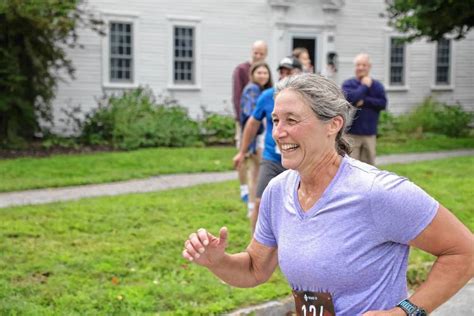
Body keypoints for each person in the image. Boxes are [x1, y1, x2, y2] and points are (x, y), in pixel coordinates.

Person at [183, 74, 474, 315]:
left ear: (333, 125)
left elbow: (465, 251)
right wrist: (216, 261)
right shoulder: (278, 191)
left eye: (291, 120)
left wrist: (407, 311)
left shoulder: (377, 192)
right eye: (275, 120)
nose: (278, 133)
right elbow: (254, 269)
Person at [233, 56, 302, 232]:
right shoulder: (267, 95)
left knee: (298, 206)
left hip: (299, 160)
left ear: (299, 73)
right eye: (282, 71)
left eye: (289, 71)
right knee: (259, 202)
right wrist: (242, 151)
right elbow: (252, 123)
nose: (285, 75)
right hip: (272, 157)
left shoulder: (308, 98)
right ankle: (255, 248)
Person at [232, 40, 268, 204]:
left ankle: (253, 198)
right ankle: (244, 189)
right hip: (246, 122)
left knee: (255, 161)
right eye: (256, 52)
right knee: (244, 155)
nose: (258, 55)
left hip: (259, 127)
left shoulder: (264, 77)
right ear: (251, 51)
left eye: (261, 53)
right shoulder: (242, 70)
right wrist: (243, 123)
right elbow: (237, 97)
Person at [239, 61, 273, 217]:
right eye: (259, 72)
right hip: (256, 138)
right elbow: (251, 118)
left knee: (256, 172)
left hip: (259, 137)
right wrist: (249, 145)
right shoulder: (253, 90)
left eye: (265, 72)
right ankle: (253, 207)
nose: (262, 75)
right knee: (257, 173)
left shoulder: (263, 91)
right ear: (252, 74)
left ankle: (253, 206)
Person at [342, 53, 387, 165]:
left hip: (369, 133)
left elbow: (383, 103)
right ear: (355, 67)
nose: (361, 67)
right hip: (351, 134)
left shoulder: (377, 86)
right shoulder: (348, 84)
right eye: (358, 65)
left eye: (364, 65)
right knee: (350, 166)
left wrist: (364, 101)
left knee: (369, 167)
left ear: (369, 67)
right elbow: (351, 99)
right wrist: (365, 86)